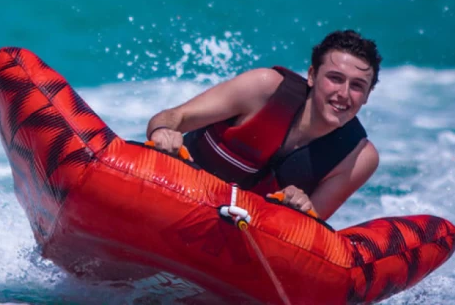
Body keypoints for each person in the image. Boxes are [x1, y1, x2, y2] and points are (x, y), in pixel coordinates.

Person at [146, 29, 381, 221]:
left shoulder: (358, 158)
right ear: (312, 76)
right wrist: (163, 132)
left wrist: (300, 207)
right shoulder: (264, 89)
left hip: (236, 237)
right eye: (335, 79)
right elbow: (173, 117)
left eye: (358, 86)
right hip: (173, 194)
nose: (343, 94)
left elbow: (309, 231)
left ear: (368, 95)